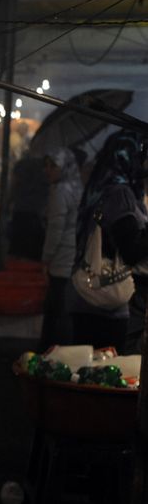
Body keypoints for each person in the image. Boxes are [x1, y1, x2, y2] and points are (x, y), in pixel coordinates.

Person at [69, 129, 148, 353]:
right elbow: (131, 249)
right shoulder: (120, 193)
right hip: (104, 303)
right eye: (141, 154)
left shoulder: (107, 187)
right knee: (102, 369)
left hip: (93, 300)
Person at [39, 148, 83, 349]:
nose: (47, 170)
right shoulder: (78, 187)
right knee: (64, 309)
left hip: (61, 258)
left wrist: (46, 258)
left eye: (53, 166)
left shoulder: (60, 191)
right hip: (74, 256)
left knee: (55, 310)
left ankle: (49, 353)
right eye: (46, 165)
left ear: (64, 167)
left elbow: (55, 229)